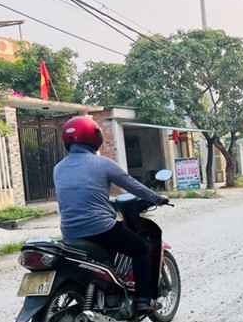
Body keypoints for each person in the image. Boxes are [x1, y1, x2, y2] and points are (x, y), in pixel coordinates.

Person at [53, 116, 169, 312]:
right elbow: (133, 185)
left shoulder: (58, 168)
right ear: (94, 137)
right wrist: (158, 198)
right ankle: (143, 300)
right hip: (100, 228)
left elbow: (78, 195)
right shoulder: (102, 164)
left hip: (70, 232)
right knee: (140, 247)